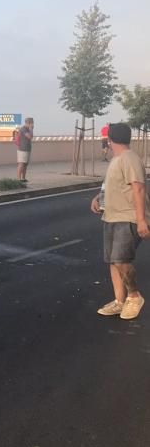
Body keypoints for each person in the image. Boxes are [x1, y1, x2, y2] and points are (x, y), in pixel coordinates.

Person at [92, 123, 149, 320]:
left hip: (128, 216)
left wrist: (141, 220)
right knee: (113, 261)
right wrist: (98, 198)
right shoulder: (117, 159)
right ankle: (119, 301)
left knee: (121, 259)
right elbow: (111, 185)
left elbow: (139, 188)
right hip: (111, 216)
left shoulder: (129, 158)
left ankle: (134, 296)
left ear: (109, 139)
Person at [15, 117, 34, 181]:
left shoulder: (28, 129)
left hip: (27, 149)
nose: (33, 124)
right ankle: (18, 179)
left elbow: (31, 136)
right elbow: (30, 137)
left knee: (25, 164)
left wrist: (31, 129)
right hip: (22, 149)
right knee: (21, 164)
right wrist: (31, 129)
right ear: (28, 123)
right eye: (32, 122)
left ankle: (23, 178)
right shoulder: (23, 129)